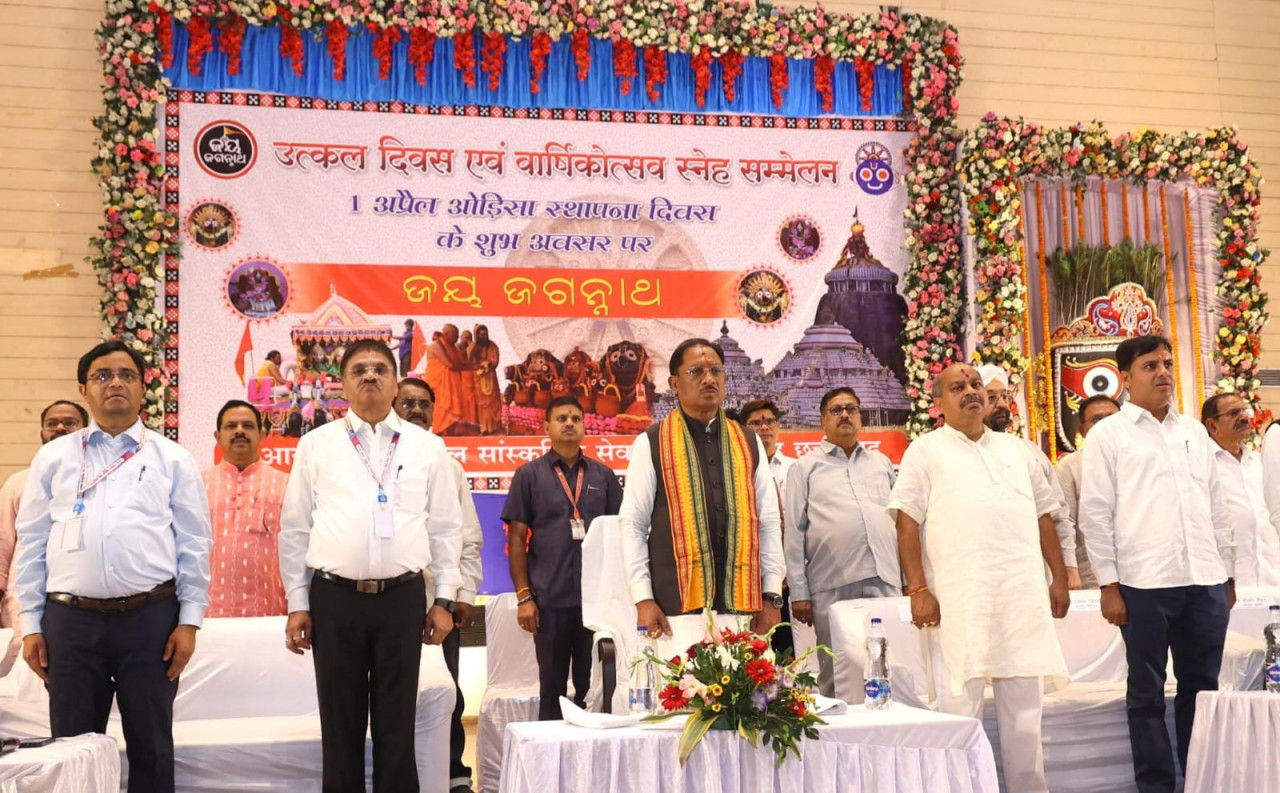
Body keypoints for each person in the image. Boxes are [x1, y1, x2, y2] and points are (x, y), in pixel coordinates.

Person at [14, 341, 212, 793]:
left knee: (151, 744)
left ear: (143, 388)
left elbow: (195, 543)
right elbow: (32, 542)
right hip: (70, 621)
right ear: (84, 389)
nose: (115, 383)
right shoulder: (54, 457)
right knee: (73, 750)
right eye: (102, 375)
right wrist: (29, 625)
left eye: (126, 375)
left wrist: (189, 621)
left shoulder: (172, 458)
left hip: (150, 620)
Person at [280, 339, 463, 793]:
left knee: (396, 724)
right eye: (358, 369)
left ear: (395, 382)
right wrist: (298, 602)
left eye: (380, 368)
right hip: (334, 598)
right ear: (342, 384)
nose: (369, 375)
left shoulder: (428, 447)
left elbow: (445, 528)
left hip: (402, 598)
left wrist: (443, 600)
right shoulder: (316, 445)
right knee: (339, 724)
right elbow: (295, 529)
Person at [890, 362, 1070, 793]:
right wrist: (918, 588)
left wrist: (1059, 578)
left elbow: (1045, 516)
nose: (971, 391)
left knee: (1025, 720)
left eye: (975, 385)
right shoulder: (925, 451)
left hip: (1021, 596)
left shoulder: (1018, 450)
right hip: (960, 599)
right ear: (939, 402)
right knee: (959, 713)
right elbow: (906, 522)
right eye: (958, 387)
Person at [1078, 335, 1234, 793]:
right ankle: (1156, 786)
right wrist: (1109, 584)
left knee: (1202, 690)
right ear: (1126, 378)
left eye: (1167, 363)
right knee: (1146, 694)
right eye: (1150, 365)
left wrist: (1228, 573)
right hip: (1142, 582)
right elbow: (1095, 513)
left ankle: (1202, 781)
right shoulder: (1109, 435)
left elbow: (1217, 506)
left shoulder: (1194, 432)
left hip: (1204, 578)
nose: (1163, 372)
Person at [619, 338, 784, 640]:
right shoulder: (651, 442)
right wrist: (643, 598)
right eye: (696, 372)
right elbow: (633, 524)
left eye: (716, 371)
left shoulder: (749, 441)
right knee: (679, 675)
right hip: (674, 611)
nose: (709, 379)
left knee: (746, 674)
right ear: (674, 384)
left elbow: (770, 521)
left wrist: (772, 595)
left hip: (745, 608)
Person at [503, 396, 622, 720]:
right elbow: (517, 540)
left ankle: (594, 750)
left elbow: (618, 537)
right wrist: (525, 597)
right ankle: (550, 752)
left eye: (575, 418)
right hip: (549, 601)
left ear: (584, 427)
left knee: (596, 689)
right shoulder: (529, 475)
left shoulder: (604, 476)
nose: (569, 423)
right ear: (546, 427)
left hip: (596, 603)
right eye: (561, 418)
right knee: (552, 689)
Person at [394, 378, 484, 793]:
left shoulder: (450, 467)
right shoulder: (377, 462)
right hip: (389, 600)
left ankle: (453, 773)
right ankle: (399, 772)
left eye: (423, 403)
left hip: (439, 601)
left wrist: (464, 595)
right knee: (393, 692)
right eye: (407, 402)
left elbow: (468, 536)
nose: (416, 409)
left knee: (447, 690)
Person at [784, 387, 900, 696]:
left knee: (892, 666)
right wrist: (799, 592)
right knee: (838, 673)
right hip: (831, 584)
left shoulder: (881, 462)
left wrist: (908, 580)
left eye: (852, 409)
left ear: (861, 418)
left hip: (885, 578)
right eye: (836, 410)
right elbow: (794, 532)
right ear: (823, 420)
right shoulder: (804, 468)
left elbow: (900, 522)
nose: (845, 415)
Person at [977, 364, 1083, 590]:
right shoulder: (959, 453)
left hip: (1033, 572)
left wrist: (1069, 567)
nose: (1002, 404)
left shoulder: (1029, 451)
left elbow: (1058, 514)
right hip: (980, 574)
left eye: (1005, 396)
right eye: (992, 397)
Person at [0, 401, 88, 637]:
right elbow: (2, 546)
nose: (60, 428)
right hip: (23, 604)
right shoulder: (18, 483)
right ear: (42, 432)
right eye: (52, 423)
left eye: (70, 423)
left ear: (86, 431)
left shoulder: (100, 481)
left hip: (82, 602)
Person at [201, 400, 289, 617]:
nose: (239, 431)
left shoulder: (287, 484)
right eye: (231, 426)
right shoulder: (197, 485)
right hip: (208, 615)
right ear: (217, 436)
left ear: (261, 434)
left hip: (271, 613)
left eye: (248, 426)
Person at [738, 398, 795, 659]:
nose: (764, 427)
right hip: (750, 575)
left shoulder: (796, 468)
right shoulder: (738, 472)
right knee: (752, 653)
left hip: (792, 577)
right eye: (755, 423)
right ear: (744, 430)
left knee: (790, 653)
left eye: (770, 421)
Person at [1203, 393, 1280, 586]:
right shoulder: (1203, 465)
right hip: (1229, 581)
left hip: (1272, 575)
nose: (1244, 417)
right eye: (1234, 413)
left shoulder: (1260, 462)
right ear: (1212, 426)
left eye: (1245, 411)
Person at [1055, 394, 1121, 588]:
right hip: (1092, 575)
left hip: (1142, 570)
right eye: (1097, 420)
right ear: (1082, 429)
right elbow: (1065, 521)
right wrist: (1070, 570)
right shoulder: (1070, 465)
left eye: (1112, 418)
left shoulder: (1139, 462)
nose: (1105, 425)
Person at [425, 324, 477, 436]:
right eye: (455, 335)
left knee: (452, 409)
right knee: (441, 406)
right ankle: (438, 431)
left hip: (452, 386)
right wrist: (471, 366)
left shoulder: (453, 348)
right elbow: (451, 365)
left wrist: (477, 366)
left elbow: (461, 363)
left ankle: (449, 432)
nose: (457, 338)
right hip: (439, 384)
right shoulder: (436, 346)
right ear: (446, 334)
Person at [470, 325, 502, 435]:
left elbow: (495, 361)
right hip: (478, 378)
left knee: (492, 402)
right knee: (482, 404)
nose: (484, 336)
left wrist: (488, 365)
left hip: (491, 377)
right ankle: (483, 428)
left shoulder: (493, 346)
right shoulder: (473, 347)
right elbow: (470, 360)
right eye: (481, 334)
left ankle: (494, 427)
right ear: (477, 335)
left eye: (485, 334)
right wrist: (479, 366)